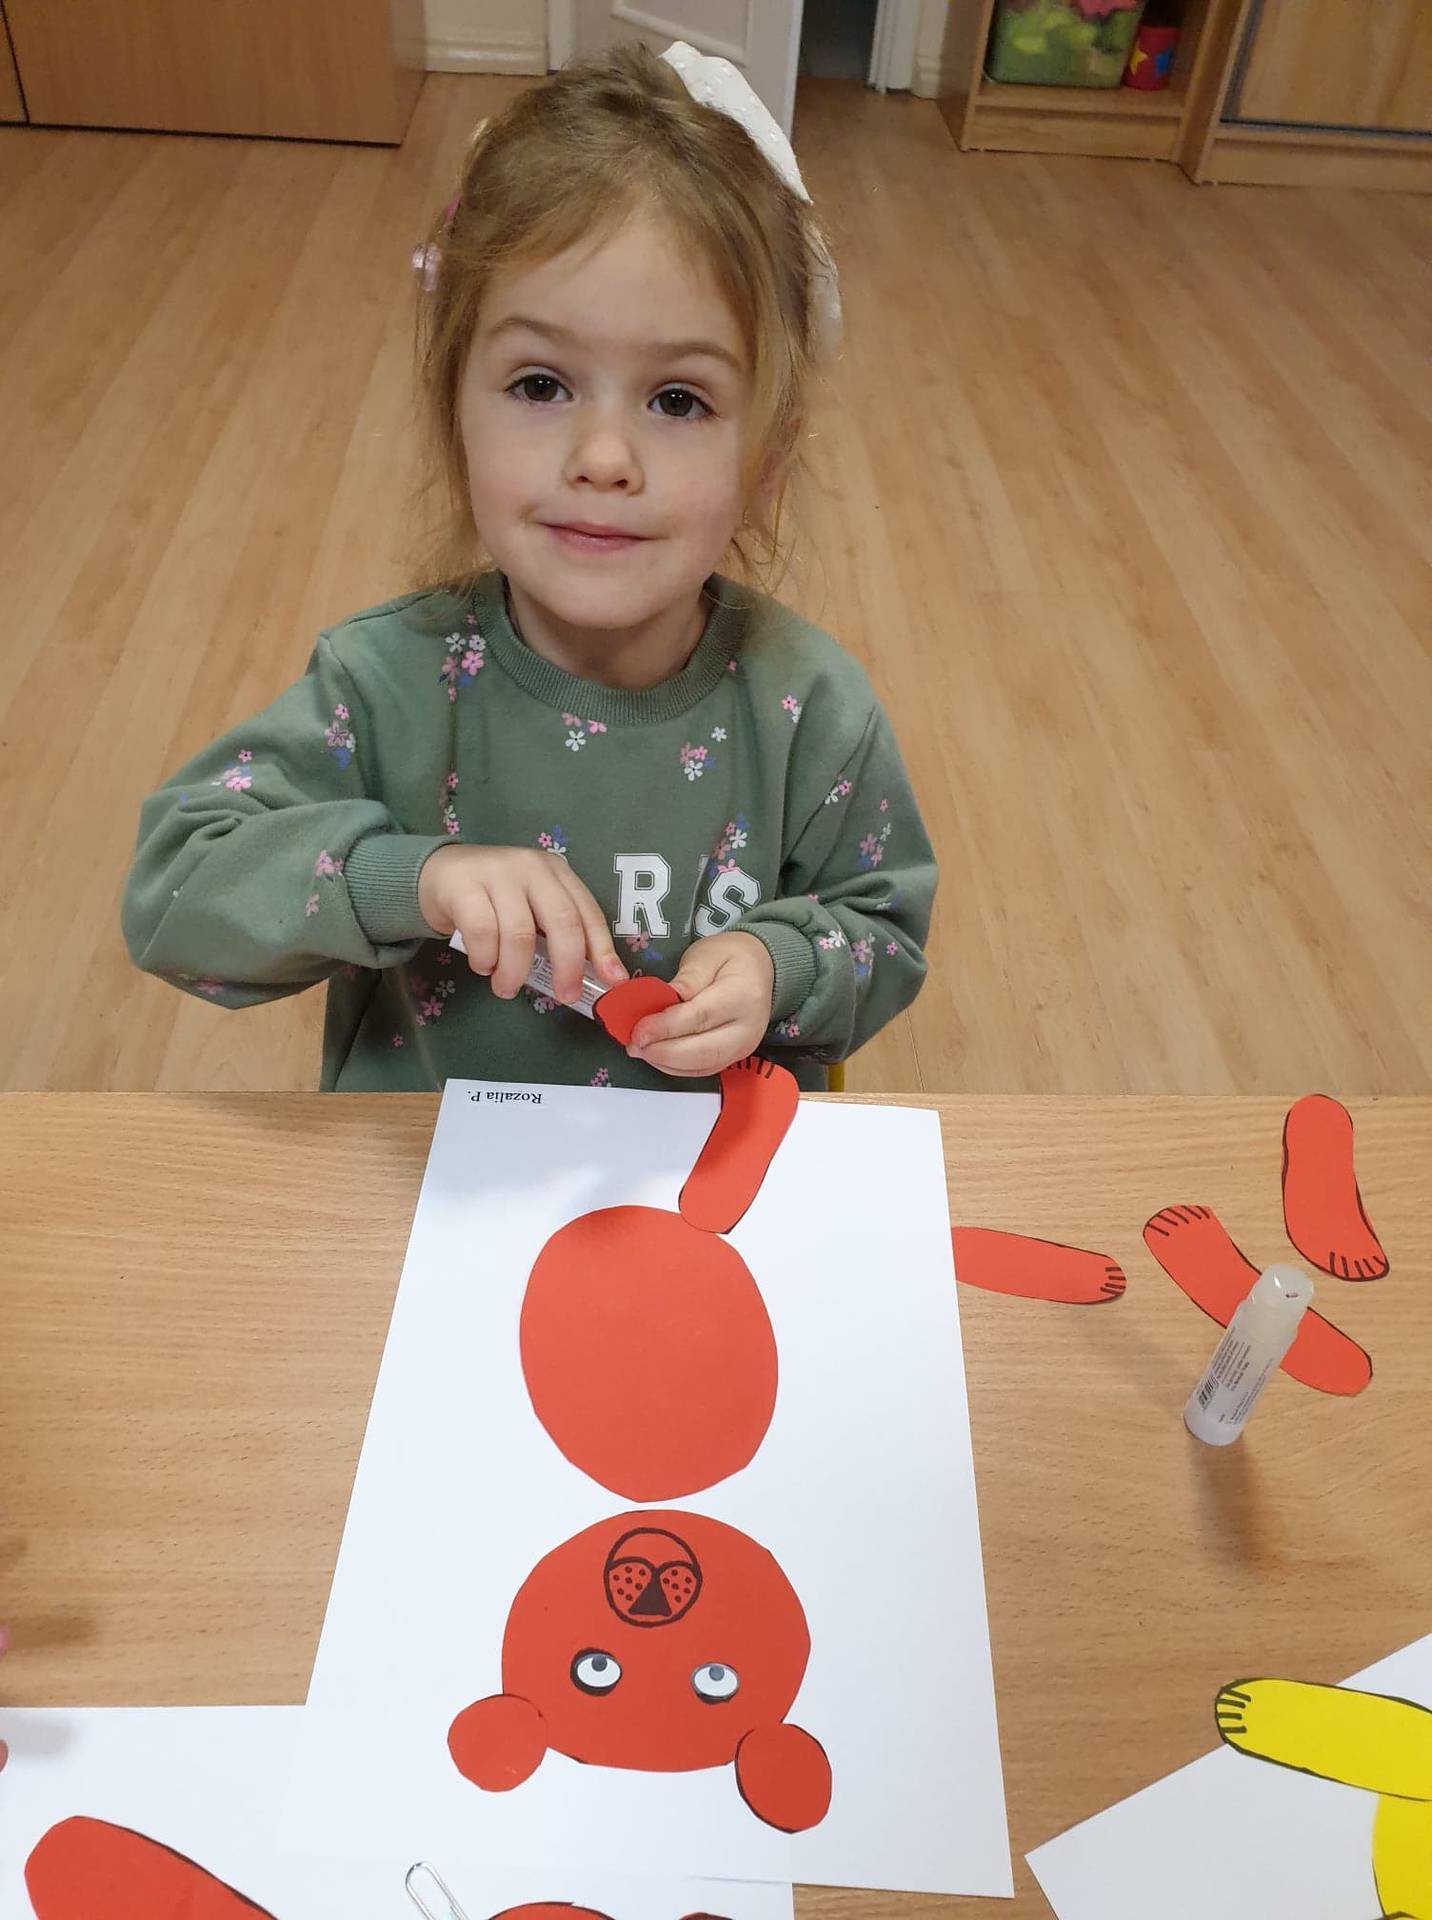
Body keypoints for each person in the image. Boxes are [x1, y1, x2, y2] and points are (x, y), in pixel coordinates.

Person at [122, 42, 936, 1093]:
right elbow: (174, 896)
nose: (602, 457)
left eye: (678, 399)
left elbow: (884, 931)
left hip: (705, 1180)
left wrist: (782, 966)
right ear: (453, 413)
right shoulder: (383, 685)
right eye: (541, 384)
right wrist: (411, 880)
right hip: (432, 1176)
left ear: (765, 461)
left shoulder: (809, 709)